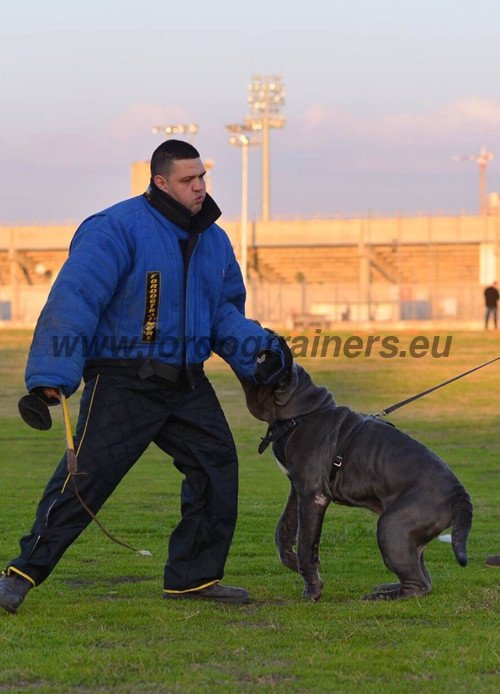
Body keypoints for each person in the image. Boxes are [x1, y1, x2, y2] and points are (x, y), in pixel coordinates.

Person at [0, 139, 290, 614]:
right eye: (187, 180)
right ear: (160, 181)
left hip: (186, 383)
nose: (199, 188)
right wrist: (53, 373)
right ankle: (19, 575)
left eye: (202, 179)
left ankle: (193, 579)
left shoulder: (214, 239)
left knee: (217, 469)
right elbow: (75, 301)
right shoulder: (116, 228)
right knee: (82, 484)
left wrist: (259, 351)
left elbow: (221, 312)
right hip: (123, 380)